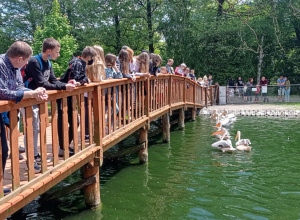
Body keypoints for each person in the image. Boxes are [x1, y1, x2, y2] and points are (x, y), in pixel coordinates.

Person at [0, 41, 48, 195]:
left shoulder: (15, 67)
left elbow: (18, 88)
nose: (27, 64)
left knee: (3, 150)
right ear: (19, 58)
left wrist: (36, 91)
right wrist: (31, 94)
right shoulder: (1, 65)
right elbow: (2, 92)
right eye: (26, 61)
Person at [24, 38, 76, 169]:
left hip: (38, 100)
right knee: (31, 129)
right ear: (48, 51)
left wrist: (66, 84)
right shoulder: (34, 62)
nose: (58, 55)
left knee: (36, 128)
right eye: (57, 52)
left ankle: (35, 155)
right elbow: (43, 84)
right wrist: (64, 88)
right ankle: (30, 160)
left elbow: (52, 81)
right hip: (28, 99)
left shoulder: (48, 63)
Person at [58, 46, 97, 157]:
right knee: (64, 121)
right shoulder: (78, 63)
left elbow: (81, 78)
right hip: (65, 96)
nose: (92, 60)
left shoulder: (79, 63)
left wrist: (83, 80)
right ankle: (62, 148)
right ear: (88, 56)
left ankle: (65, 145)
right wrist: (83, 81)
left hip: (70, 96)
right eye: (92, 57)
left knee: (74, 122)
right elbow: (75, 79)